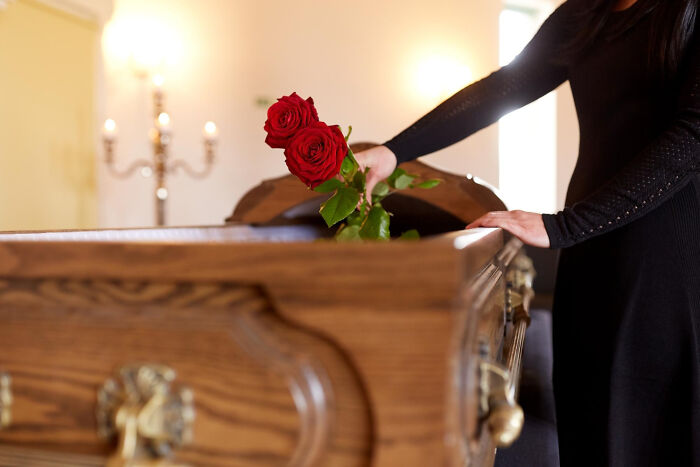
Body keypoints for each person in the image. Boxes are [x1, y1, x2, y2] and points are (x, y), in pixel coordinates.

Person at [354, 0, 700, 465]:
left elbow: (694, 135)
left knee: (650, 430)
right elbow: (505, 87)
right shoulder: (586, 13)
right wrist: (395, 150)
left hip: (666, 253)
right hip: (589, 247)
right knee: (586, 418)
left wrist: (563, 224)